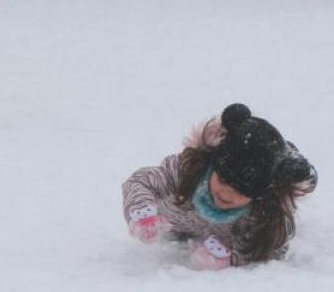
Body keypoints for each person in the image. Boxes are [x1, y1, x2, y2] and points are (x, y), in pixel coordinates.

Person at [122, 103, 317, 269]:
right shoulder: (186, 173)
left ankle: (286, 159)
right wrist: (142, 211)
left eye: (242, 191)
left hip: (218, 234)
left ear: (258, 195)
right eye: (224, 180)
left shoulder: (261, 215)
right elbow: (142, 181)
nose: (227, 193)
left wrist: (229, 257)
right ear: (213, 166)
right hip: (176, 224)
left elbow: (271, 247)